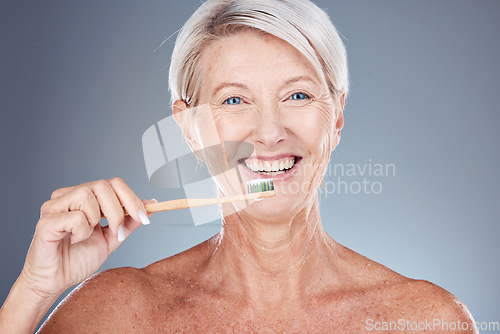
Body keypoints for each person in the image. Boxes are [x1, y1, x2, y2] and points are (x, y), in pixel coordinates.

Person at [0, 0, 477, 332]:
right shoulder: (115, 314)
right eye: (234, 100)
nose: (269, 133)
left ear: (337, 118)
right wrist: (34, 291)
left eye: (297, 95)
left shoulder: (425, 320)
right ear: (189, 129)